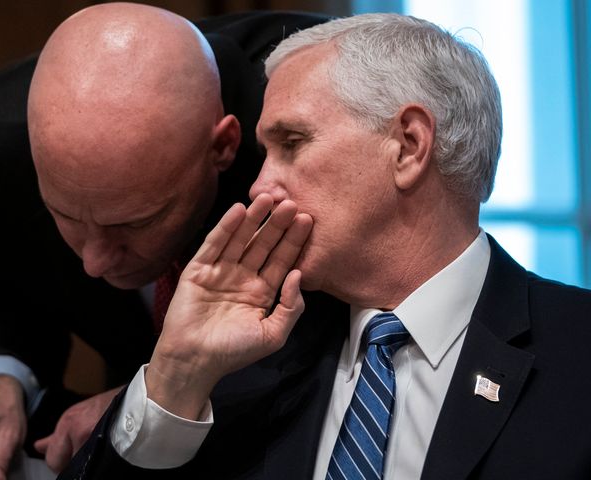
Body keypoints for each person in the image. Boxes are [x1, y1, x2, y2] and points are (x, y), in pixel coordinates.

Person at [57, 12, 591, 480]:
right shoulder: (242, 354)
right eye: (265, 152)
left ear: (408, 146)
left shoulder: (576, 351)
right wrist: (177, 376)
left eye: (291, 144)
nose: (260, 187)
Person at [0, 4, 330, 479]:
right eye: (64, 215)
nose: (94, 263)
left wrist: (148, 400)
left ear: (222, 146)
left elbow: (342, 323)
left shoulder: (307, 115)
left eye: (135, 222)